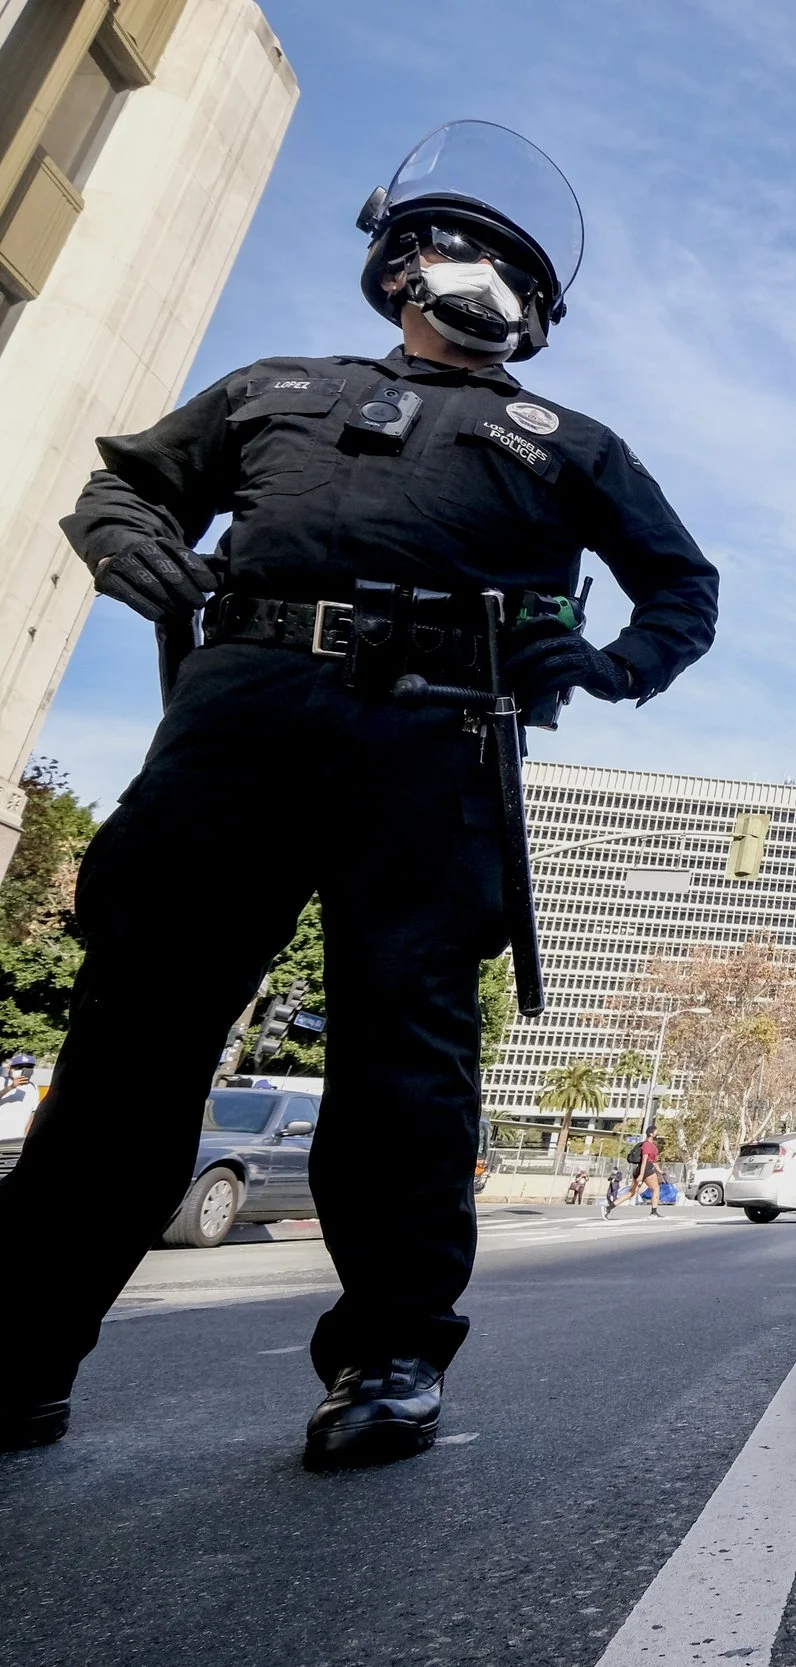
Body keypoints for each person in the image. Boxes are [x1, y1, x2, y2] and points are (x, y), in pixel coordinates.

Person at [0, 123, 718, 1466]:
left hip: (438, 738)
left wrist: (616, 664)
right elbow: (130, 480)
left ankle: (390, 1357)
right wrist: (130, 540)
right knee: (133, 1036)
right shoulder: (276, 383)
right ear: (399, 265)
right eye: (468, 247)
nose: (490, 277)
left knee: (410, 1055)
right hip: (244, 717)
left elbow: (684, 584)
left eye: (515, 264)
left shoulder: (568, 439)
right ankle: (20, 1351)